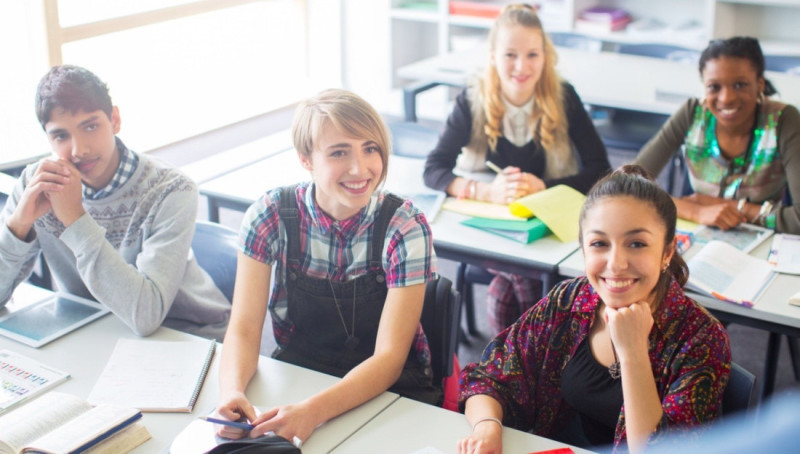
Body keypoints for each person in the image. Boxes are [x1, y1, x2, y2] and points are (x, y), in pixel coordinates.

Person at [215, 89, 440, 446]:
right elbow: (243, 329)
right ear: (306, 159)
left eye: (370, 148)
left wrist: (313, 411)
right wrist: (231, 391)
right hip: (301, 371)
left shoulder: (404, 226)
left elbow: (389, 358)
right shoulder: (270, 215)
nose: (360, 168)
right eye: (339, 152)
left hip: (389, 389)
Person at [458, 165, 731, 454]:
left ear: (666, 252)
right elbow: (490, 376)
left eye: (637, 244)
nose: (616, 263)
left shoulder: (701, 338)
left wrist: (633, 352)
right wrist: (487, 427)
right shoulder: (570, 299)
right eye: (599, 243)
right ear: (583, 249)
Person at [0, 65, 230, 341]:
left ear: (115, 120)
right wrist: (18, 225)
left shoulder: (171, 189)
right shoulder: (37, 184)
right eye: (61, 135)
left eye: (91, 126)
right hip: (98, 332)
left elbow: (146, 316)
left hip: (186, 334)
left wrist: (75, 219)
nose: (79, 149)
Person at [422, 3, 611, 334]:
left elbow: (600, 170)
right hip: (491, 225)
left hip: (546, 226)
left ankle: (510, 365)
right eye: (510, 55)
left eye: (532, 55)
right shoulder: (472, 99)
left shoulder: (564, 96)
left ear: (545, 56)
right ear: (493, 56)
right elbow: (434, 168)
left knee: (505, 289)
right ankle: (536, 362)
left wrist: (545, 187)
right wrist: (483, 190)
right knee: (526, 284)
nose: (521, 66)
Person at [635, 36, 800, 233]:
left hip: (760, 239)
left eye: (740, 85)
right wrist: (696, 211)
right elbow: (626, 185)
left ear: (760, 85)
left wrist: (732, 208)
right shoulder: (692, 112)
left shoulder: (783, 120)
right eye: (714, 87)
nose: (726, 98)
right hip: (695, 232)